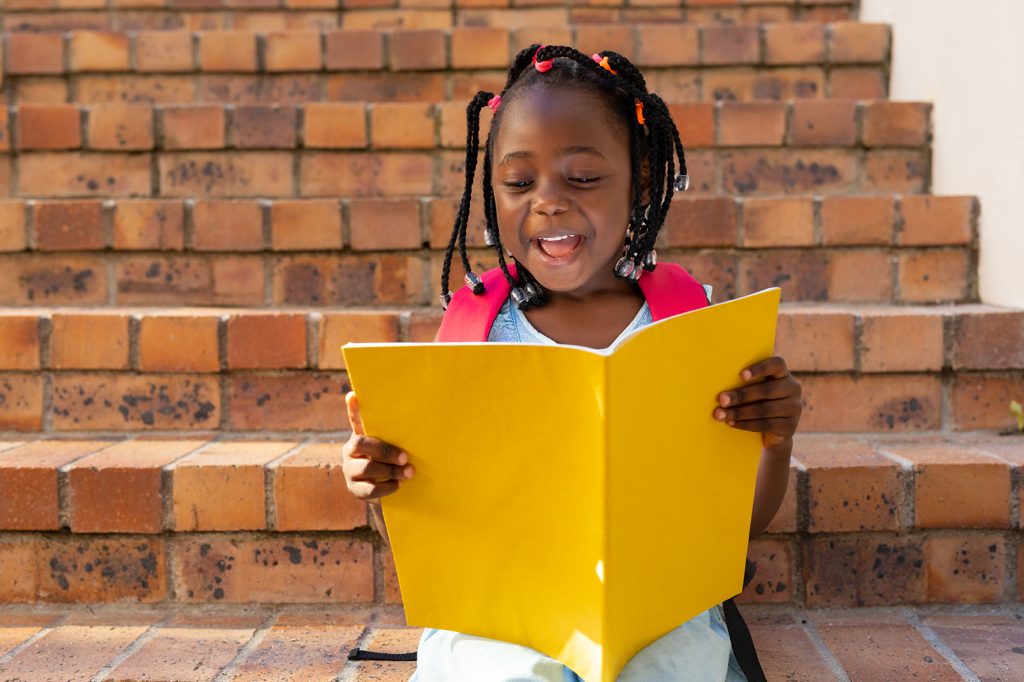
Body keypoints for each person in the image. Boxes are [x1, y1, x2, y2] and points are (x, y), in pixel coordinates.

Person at [341, 44, 803, 682]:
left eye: (582, 177)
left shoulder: (688, 326)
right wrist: (382, 487)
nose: (549, 201)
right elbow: (437, 544)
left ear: (640, 181)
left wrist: (774, 444)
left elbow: (736, 527)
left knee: (671, 667)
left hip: (657, 606)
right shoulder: (475, 332)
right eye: (519, 182)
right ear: (492, 193)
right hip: (501, 611)